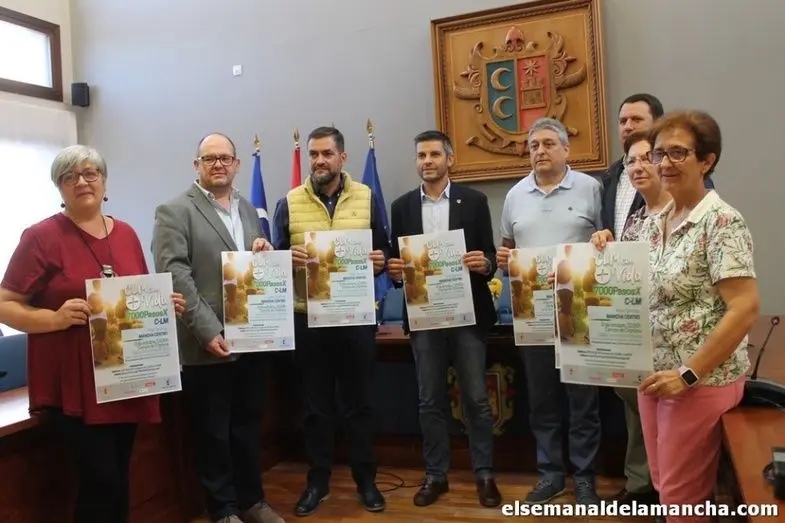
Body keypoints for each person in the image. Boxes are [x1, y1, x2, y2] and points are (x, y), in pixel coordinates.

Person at [0, 145, 185, 523]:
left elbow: (132, 299)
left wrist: (160, 306)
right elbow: (5, 303)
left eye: (90, 173)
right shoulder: (40, 237)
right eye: (69, 176)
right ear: (60, 187)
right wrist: (55, 318)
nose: (82, 182)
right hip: (76, 386)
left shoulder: (127, 233)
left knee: (119, 478)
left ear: (104, 182)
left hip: (125, 377)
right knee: (100, 481)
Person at [592, 110, 758, 523]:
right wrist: (599, 251)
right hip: (653, 378)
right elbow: (626, 285)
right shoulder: (653, 223)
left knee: (682, 500)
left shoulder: (721, 221)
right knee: (666, 486)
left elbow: (744, 308)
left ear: (707, 160)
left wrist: (688, 373)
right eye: (659, 153)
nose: (664, 162)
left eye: (678, 152)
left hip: (697, 382)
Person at [151, 133, 284, 523]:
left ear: (237, 164)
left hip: (251, 337)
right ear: (197, 166)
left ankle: (251, 501)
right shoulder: (174, 211)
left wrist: (263, 251)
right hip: (206, 343)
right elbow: (176, 274)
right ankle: (222, 509)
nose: (218, 165)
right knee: (213, 433)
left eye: (225, 158)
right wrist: (207, 330)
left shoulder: (247, 209)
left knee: (247, 426)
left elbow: (249, 265)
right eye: (209, 159)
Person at [271, 126, 388, 517]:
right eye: (313, 154)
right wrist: (285, 259)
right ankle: (317, 483)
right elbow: (273, 260)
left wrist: (380, 260)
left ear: (342, 157)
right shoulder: (289, 202)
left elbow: (384, 249)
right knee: (314, 408)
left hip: (356, 318)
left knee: (359, 405)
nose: (319, 161)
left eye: (326, 153)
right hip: (308, 320)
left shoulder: (367, 197)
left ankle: (366, 481)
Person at [386, 130, 501, 508]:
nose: (427, 161)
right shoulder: (402, 206)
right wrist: (395, 271)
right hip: (424, 316)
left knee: (476, 398)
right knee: (429, 399)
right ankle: (436, 474)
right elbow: (396, 264)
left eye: (434, 154)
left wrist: (485, 263)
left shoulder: (474, 200)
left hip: (467, 315)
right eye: (421, 155)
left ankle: (484, 473)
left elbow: (489, 255)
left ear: (449, 159)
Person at [497, 117, 603, 505]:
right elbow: (507, 248)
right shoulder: (515, 196)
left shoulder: (591, 188)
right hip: (534, 314)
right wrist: (504, 259)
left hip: (580, 312)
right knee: (541, 400)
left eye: (547, 144)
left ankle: (585, 477)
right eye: (533, 146)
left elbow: (608, 242)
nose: (539, 151)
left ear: (565, 149)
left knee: (583, 400)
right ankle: (551, 474)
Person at [602, 125, 674, 507]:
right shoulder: (635, 221)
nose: (639, 166)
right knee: (640, 417)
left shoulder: (686, 214)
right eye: (631, 161)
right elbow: (621, 279)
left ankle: (672, 498)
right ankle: (647, 488)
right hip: (637, 339)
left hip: (677, 349)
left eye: (648, 158)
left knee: (673, 429)